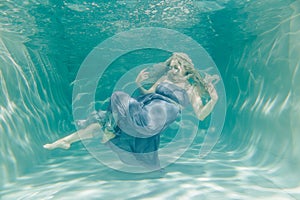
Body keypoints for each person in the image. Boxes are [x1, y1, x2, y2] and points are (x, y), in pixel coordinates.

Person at [43, 52, 219, 169]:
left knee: (118, 97)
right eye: (170, 66)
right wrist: (138, 83)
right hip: (143, 109)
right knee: (103, 121)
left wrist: (214, 100)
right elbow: (150, 93)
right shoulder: (165, 77)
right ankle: (65, 141)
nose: (171, 70)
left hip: (153, 121)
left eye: (175, 67)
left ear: (185, 69)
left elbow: (201, 114)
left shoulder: (191, 88)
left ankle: (110, 131)